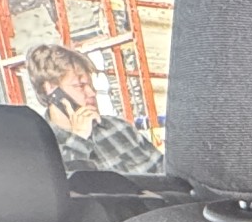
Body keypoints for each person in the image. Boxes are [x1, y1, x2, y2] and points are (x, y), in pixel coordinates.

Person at [23, 41, 162, 174]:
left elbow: (165, 173)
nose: (92, 93)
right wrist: (79, 139)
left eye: (90, 85)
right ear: (51, 89)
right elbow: (68, 186)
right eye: (80, 85)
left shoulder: (120, 128)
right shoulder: (39, 149)